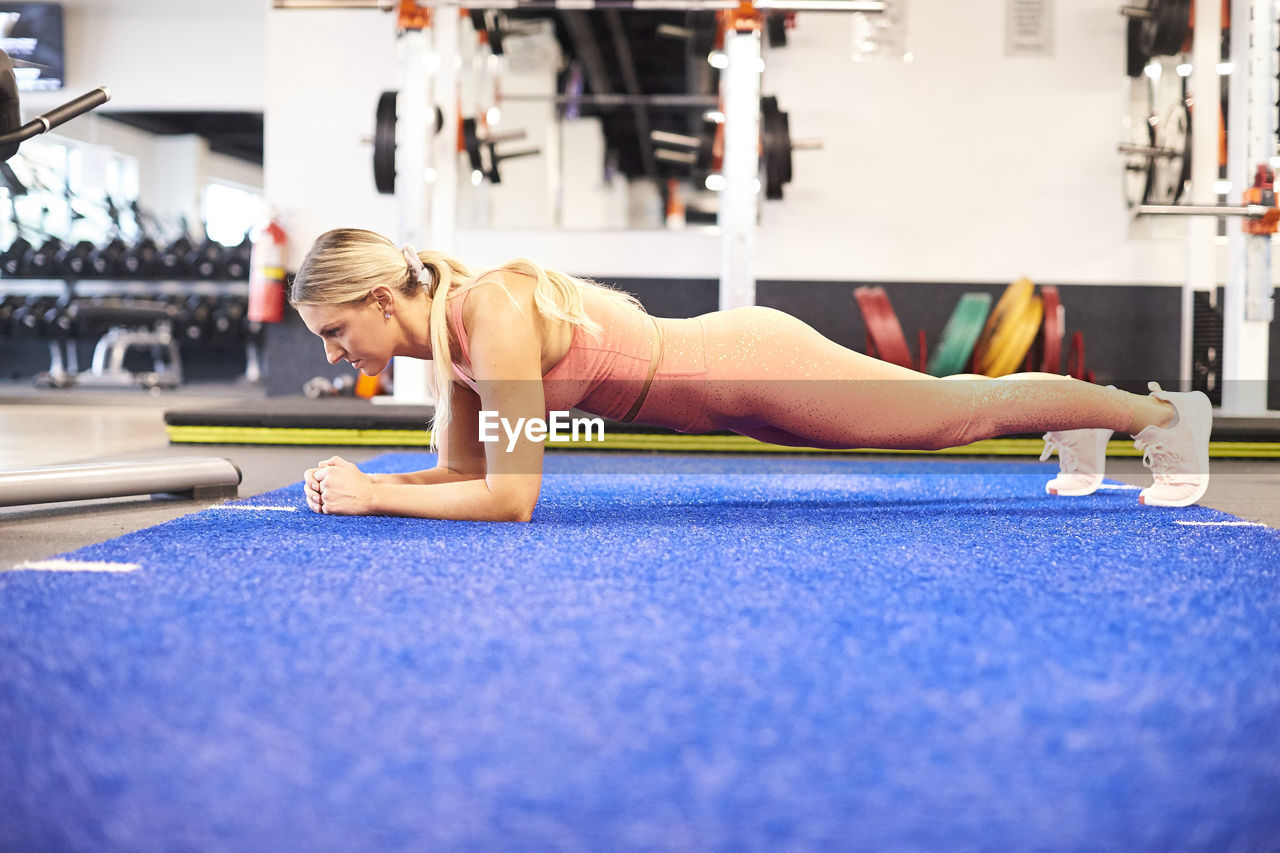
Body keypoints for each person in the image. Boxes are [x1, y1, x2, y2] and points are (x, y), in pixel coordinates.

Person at [290, 228, 1212, 521]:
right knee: (948, 413)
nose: (333, 355)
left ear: (377, 298)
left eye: (333, 331)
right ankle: (1092, 421)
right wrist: (371, 484)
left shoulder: (488, 311)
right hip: (725, 391)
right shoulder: (451, 347)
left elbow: (512, 498)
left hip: (746, 362)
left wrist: (375, 496)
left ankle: (1159, 414)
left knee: (948, 417)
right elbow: (463, 478)